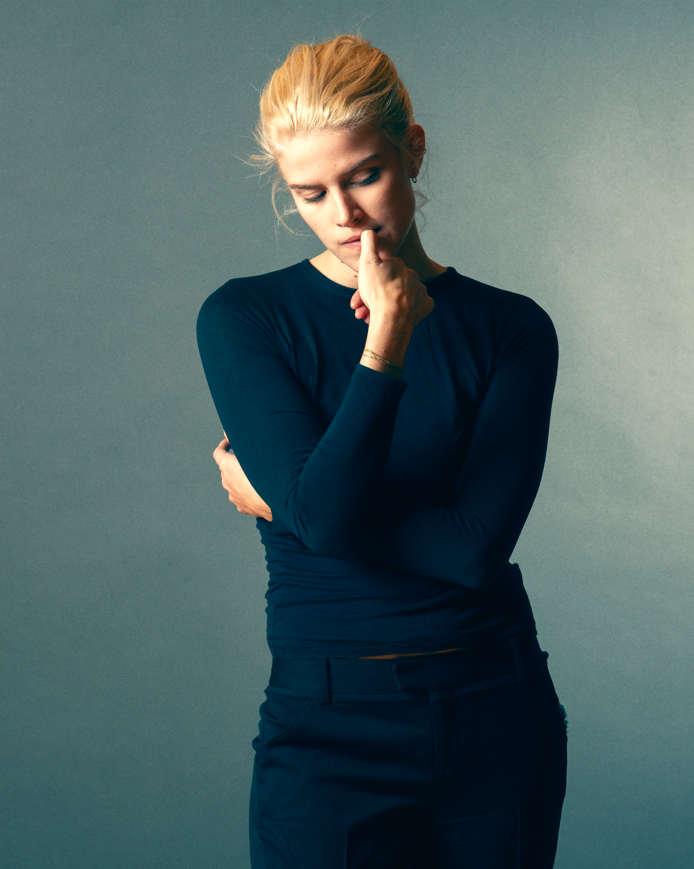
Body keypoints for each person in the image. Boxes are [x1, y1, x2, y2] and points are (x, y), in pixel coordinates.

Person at [196, 34, 567, 869]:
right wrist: (384, 348)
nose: (345, 216)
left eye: (364, 175)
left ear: (414, 151)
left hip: (494, 710)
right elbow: (324, 521)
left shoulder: (511, 328)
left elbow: (474, 550)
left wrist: (282, 502)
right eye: (311, 192)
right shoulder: (246, 319)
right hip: (327, 723)